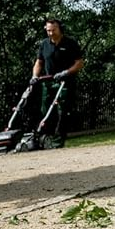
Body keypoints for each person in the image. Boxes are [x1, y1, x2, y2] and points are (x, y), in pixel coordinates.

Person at [32, 17, 85, 147]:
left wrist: (66, 72)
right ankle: (46, 138)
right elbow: (39, 62)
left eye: (53, 30)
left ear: (60, 29)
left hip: (65, 82)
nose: (51, 33)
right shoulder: (44, 44)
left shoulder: (70, 43)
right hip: (48, 82)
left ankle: (58, 140)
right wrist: (35, 76)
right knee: (46, 110)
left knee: (63, 111)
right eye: (48, 30)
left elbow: (79, 63)